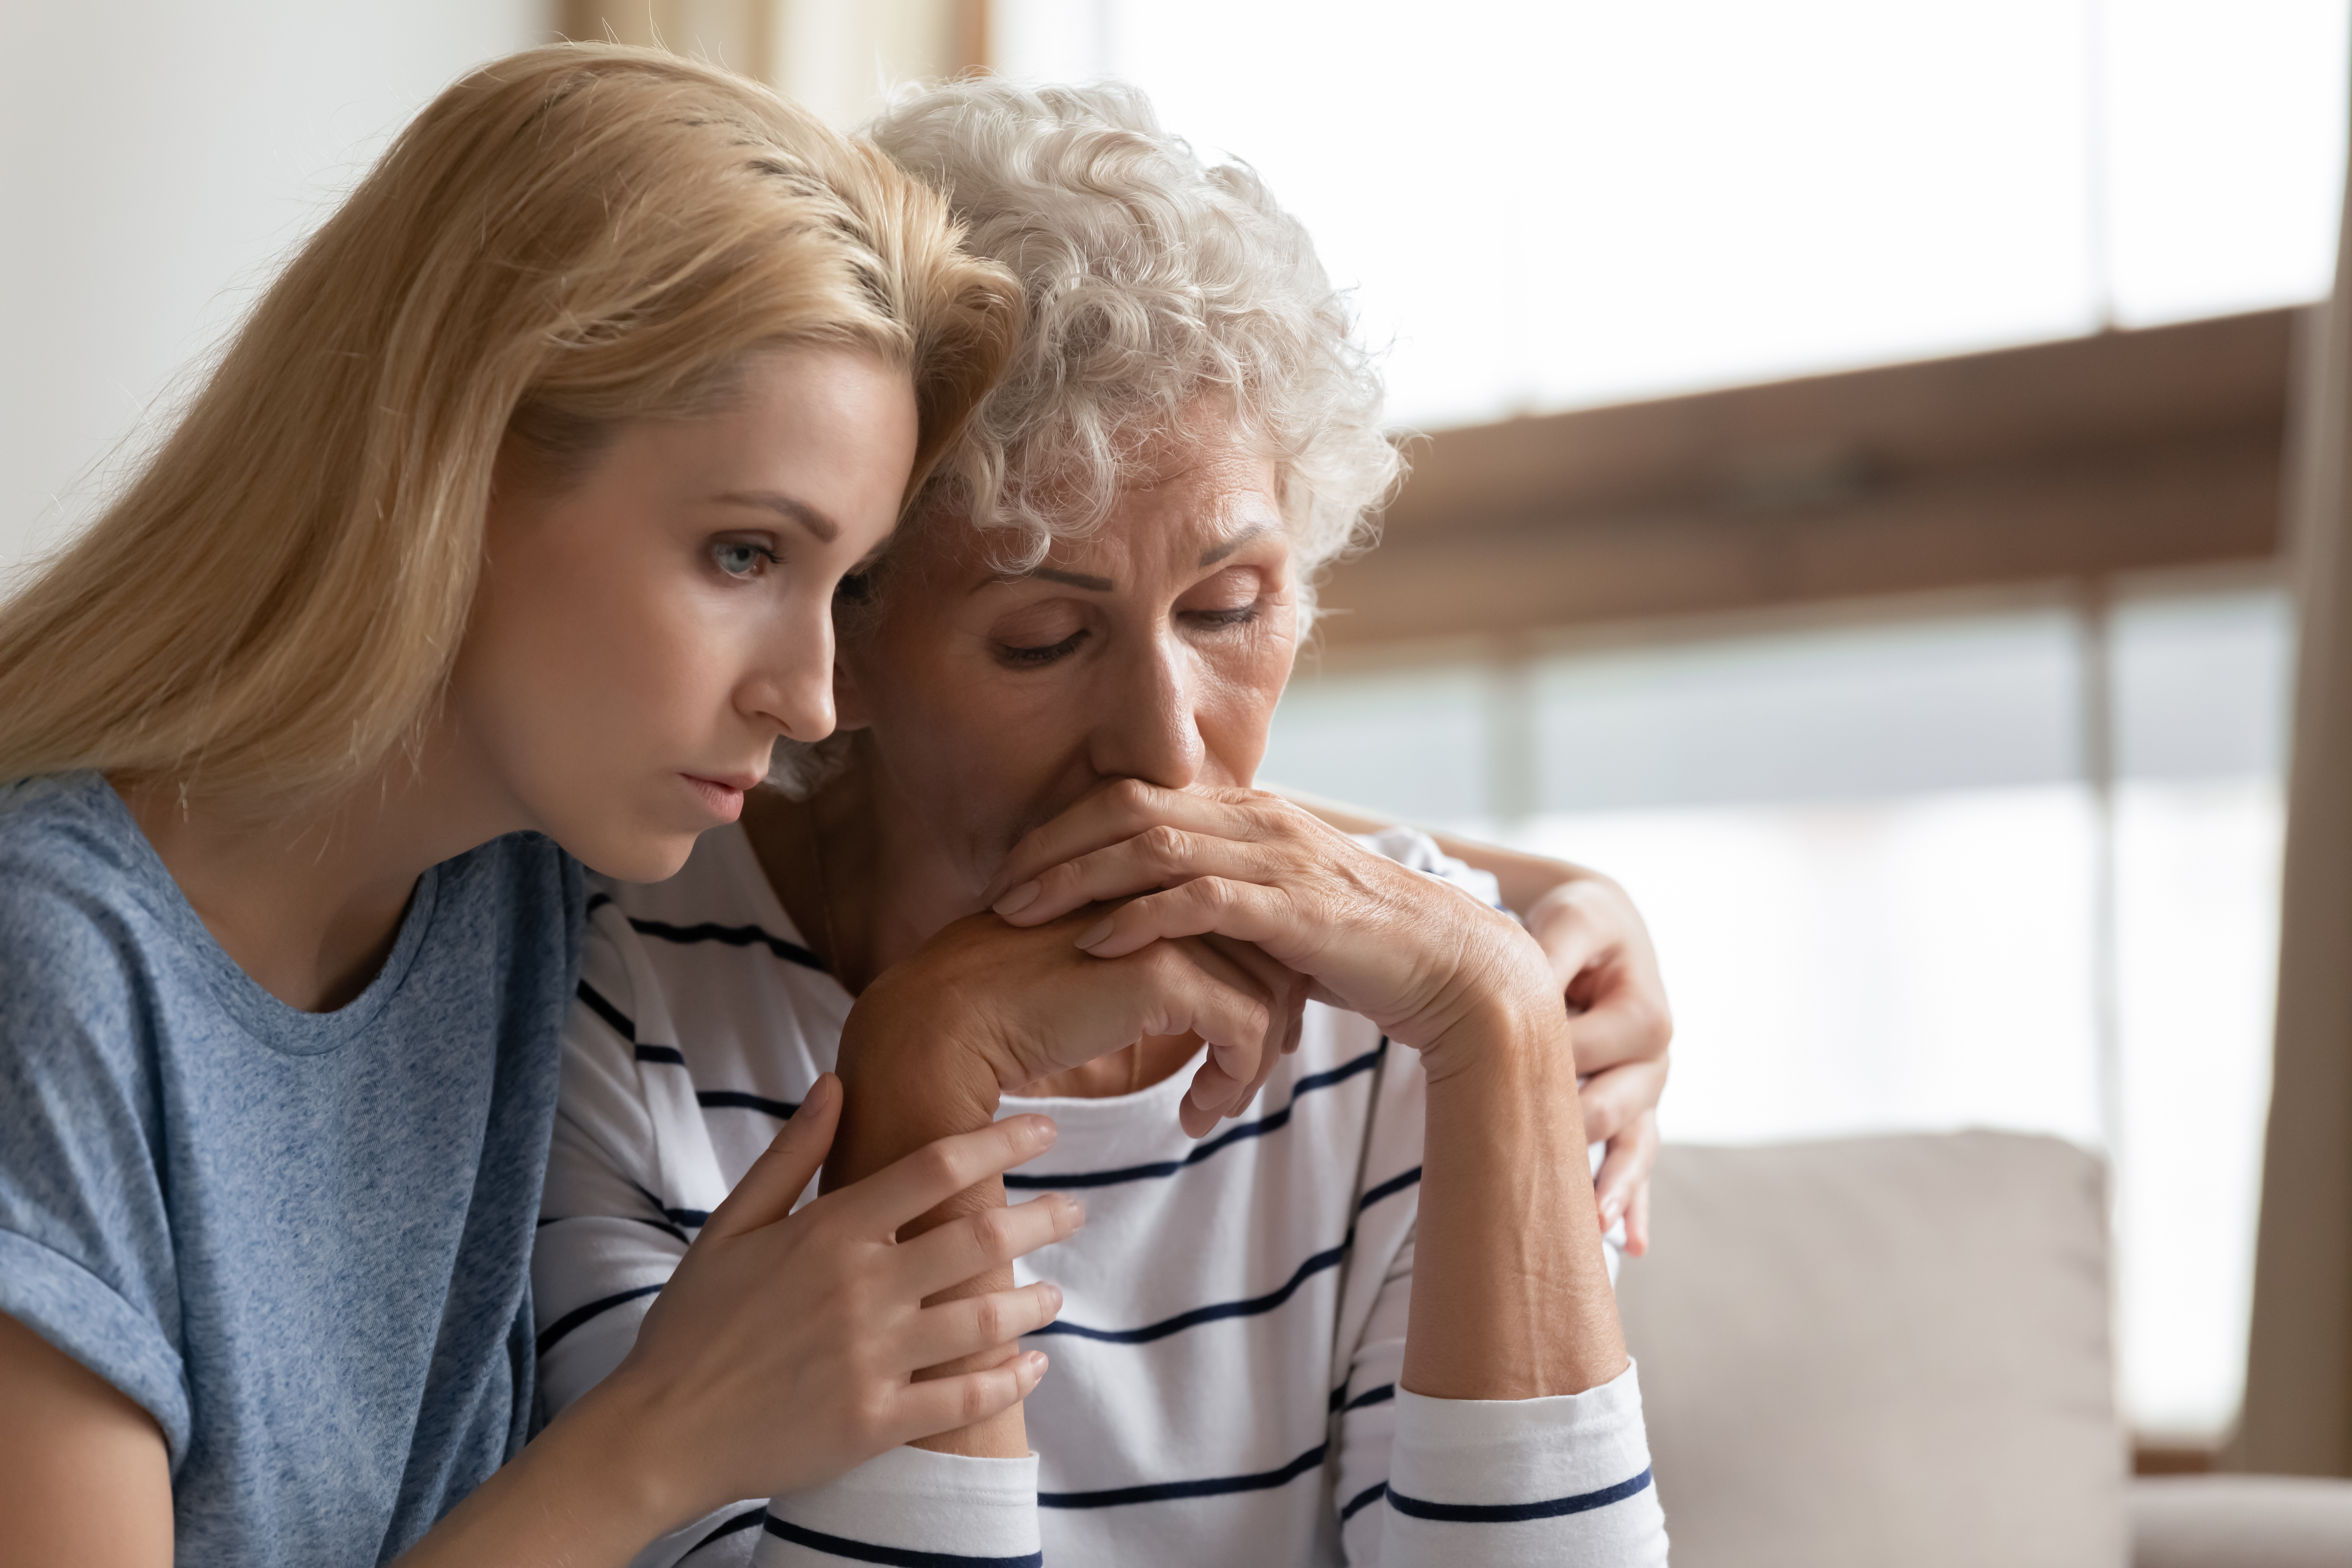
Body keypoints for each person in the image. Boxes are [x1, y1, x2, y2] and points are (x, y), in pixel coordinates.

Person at [535, 80, 1672, 1566]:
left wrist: (1504, 1006)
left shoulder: (1430, 999)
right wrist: (926, 1069)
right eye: (1039, 639)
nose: (1166, 739)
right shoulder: (627, 1017)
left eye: (1230, 608)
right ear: (847, 636)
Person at [0, 45, 1092, 1568]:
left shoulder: (516, 861)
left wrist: (1488, 927)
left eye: (841, 584)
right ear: (458, 461)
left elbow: (1047, 792)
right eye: (742, 555)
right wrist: (668, 1436)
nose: (812, 698)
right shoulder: (54, 970)